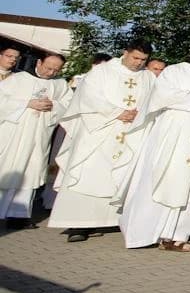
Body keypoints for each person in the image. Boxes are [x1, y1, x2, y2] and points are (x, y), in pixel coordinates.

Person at [119, 39, 190, 250]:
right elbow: (160, 96)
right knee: (164, 179)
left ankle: (177, 235)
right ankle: (144, 234)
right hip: (174, 141)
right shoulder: (175, 71)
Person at [47, 40, 153, 240]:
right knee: (89, 175)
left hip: (130, 135)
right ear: (125, 53)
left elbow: (153, 103)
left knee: (117, 177)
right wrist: (117, 112)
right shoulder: (102, 72)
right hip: (98, 133)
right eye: (135, 57)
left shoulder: (148, 78)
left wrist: (139, 115)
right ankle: (78, 225)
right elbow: (87, 98)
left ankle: (107, 221)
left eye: (143, 60)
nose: (139, 63)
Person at [0, 51, 70, 223]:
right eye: (48, 68)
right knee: (7, 168)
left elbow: (69, 105)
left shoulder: (60, 84)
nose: (51, 73)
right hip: (14, 134)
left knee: (30, 171)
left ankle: (18, 215)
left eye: (56, 70)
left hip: (39, 136)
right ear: (39, 63)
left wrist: (53, 105)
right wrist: (27, 103)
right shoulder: (18, 79)